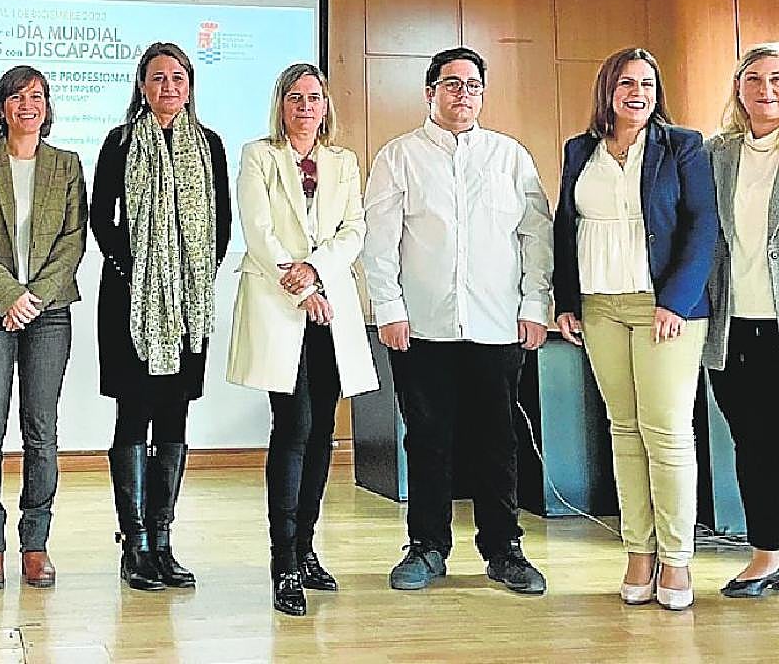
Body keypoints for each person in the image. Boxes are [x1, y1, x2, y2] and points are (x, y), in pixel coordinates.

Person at [362, 46, 552, 597]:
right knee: (427, 440)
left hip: (497, 326)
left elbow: (535, 237)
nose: (462, 94)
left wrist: (535, 305)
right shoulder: (399, 156)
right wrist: (390, 310)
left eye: (472, 85)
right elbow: (380, 245)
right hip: (422, 328)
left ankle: (504, 549)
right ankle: (426, 547)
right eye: (451, 84)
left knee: (499, 439)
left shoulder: (510, 156)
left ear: (482, 95)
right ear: (430, 92)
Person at [554, 47, 716, 611]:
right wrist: (567, 299)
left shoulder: (683, 146)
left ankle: (676, 560)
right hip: (600, 307)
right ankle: (637, 553)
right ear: (608, 90)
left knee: (667, 431)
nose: (637, 92)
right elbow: (565, 224)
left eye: (646, 83)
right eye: (626, 82)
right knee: (624, 430)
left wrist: (676, 300)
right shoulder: (581, 150)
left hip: (664, 309)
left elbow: (703, 228)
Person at [227, 63, 379, 616]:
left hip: (330, 309)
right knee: (292, 429)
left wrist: (315, 272)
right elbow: (258, 231)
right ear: (281, 104)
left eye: (313, 97)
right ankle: (283, 561)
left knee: (321, 437)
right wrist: (299, 288)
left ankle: (308, 549)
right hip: (278, 305)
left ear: (325, 105)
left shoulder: (343, 162)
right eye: (295, 97)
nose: (305, 106)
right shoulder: (258, 155)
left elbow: (354, 231)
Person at [90, 42, 230, 591]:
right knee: (132, 415)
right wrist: (139, 270)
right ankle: (135, 544)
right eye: (157, 78)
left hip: (188, 308)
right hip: (129, 301)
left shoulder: (210, 145)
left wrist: (188, 279)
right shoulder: (119, 142)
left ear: (190, 85)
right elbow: (102, 218)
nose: (168, 87)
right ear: (141, 86)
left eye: (177, 77)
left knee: (174, 419)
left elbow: (220, 223)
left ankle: (164, 539)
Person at [0, 66, 87, 590]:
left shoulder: (67, 165)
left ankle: (35, 544)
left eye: (37, 96)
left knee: (42, 434)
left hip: (49, 314)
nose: (27, 105)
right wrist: (10, 295)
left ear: (47, 106)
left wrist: (33, 299)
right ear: (1, 107)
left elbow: (74, 239)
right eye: (17, 97)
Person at [702, 44, 779, 598]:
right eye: (752, 78)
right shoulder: (716, 154)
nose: (764, 89)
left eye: (776, 78)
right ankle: (766, 553)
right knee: (752, 443)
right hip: (733, 326)